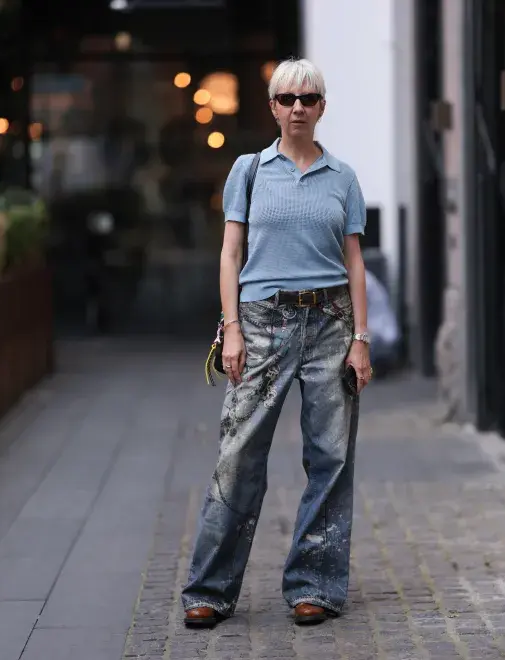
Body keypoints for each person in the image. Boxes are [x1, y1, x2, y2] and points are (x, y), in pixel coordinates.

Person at [182, 57, 373, 628]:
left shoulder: (342, 177)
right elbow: (230, 255)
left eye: (308, 99)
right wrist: (232, 326)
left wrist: (360, 340)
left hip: (332, 323)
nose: (297, 108)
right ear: (272, 107)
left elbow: (355, 262)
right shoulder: (248, 170)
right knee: (239, 455)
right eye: (287, 98)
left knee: (332, 458)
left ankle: (314, 584)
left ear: (321, 108)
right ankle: (209, 590)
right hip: (262, 323)